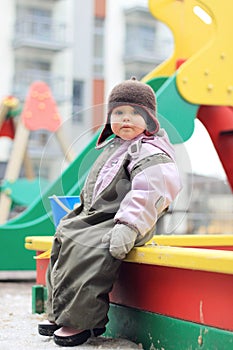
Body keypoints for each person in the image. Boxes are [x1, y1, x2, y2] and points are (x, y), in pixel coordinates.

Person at [38, 77, 182, 347]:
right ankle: (59, 311)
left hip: (128, 221)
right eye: (119, 113)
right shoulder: (115, 147)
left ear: (149, 119)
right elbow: (97, 185)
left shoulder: (149, 150)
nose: (126, 119)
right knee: (66, 236)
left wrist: (128, 225)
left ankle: (82, 321)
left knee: (90, 247)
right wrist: (80, 211)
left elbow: (151, 191)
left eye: (134, 113)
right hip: (98, 217)